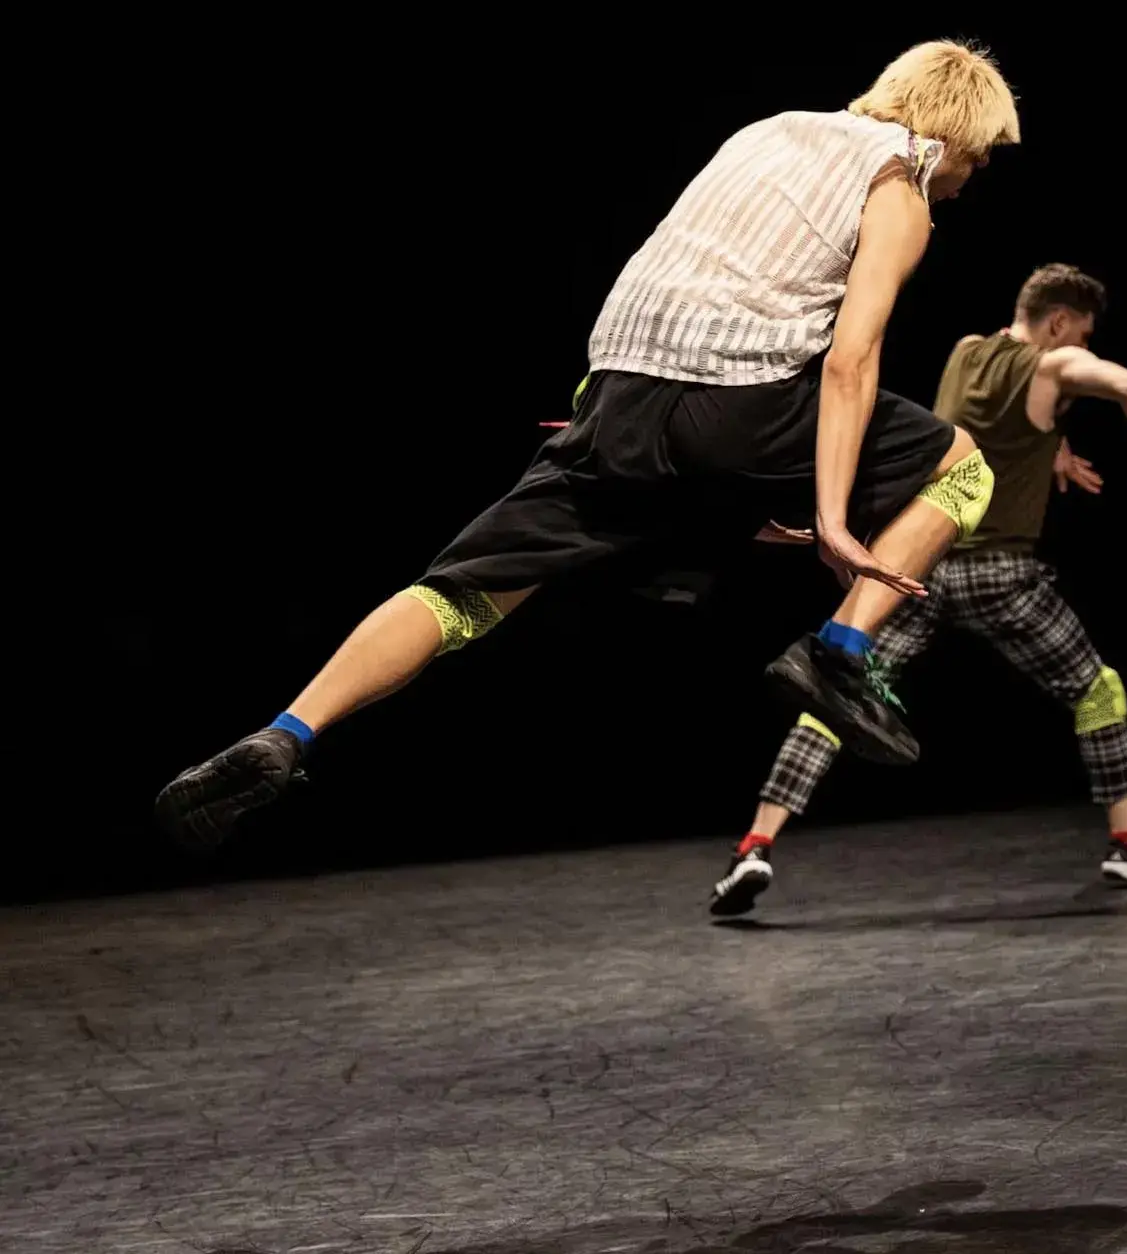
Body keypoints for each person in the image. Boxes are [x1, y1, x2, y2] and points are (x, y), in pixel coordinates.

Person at [157, 42, 1023, 852]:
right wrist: (834, 521)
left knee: (465, 595)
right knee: (961, 466)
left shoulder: (766, 133)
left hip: (615, 398)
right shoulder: (899, 186)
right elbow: (851, 357)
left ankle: (288, 732)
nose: (970, 181)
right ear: (949, 131)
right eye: (978, 160)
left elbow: (663, 272)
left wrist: (618, 429)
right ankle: (839, 653)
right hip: (738, 406)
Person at [709, 264, 1127, 915]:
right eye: (1080, 335)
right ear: (1058, 324)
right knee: (1096, 690)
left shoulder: (967, 353)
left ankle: (754, 846)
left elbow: (964, 436)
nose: (1080, 347)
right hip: (1001, 577)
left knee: (833, 692)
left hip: (920, 570)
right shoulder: (1052, 369)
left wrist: (1047, 443)